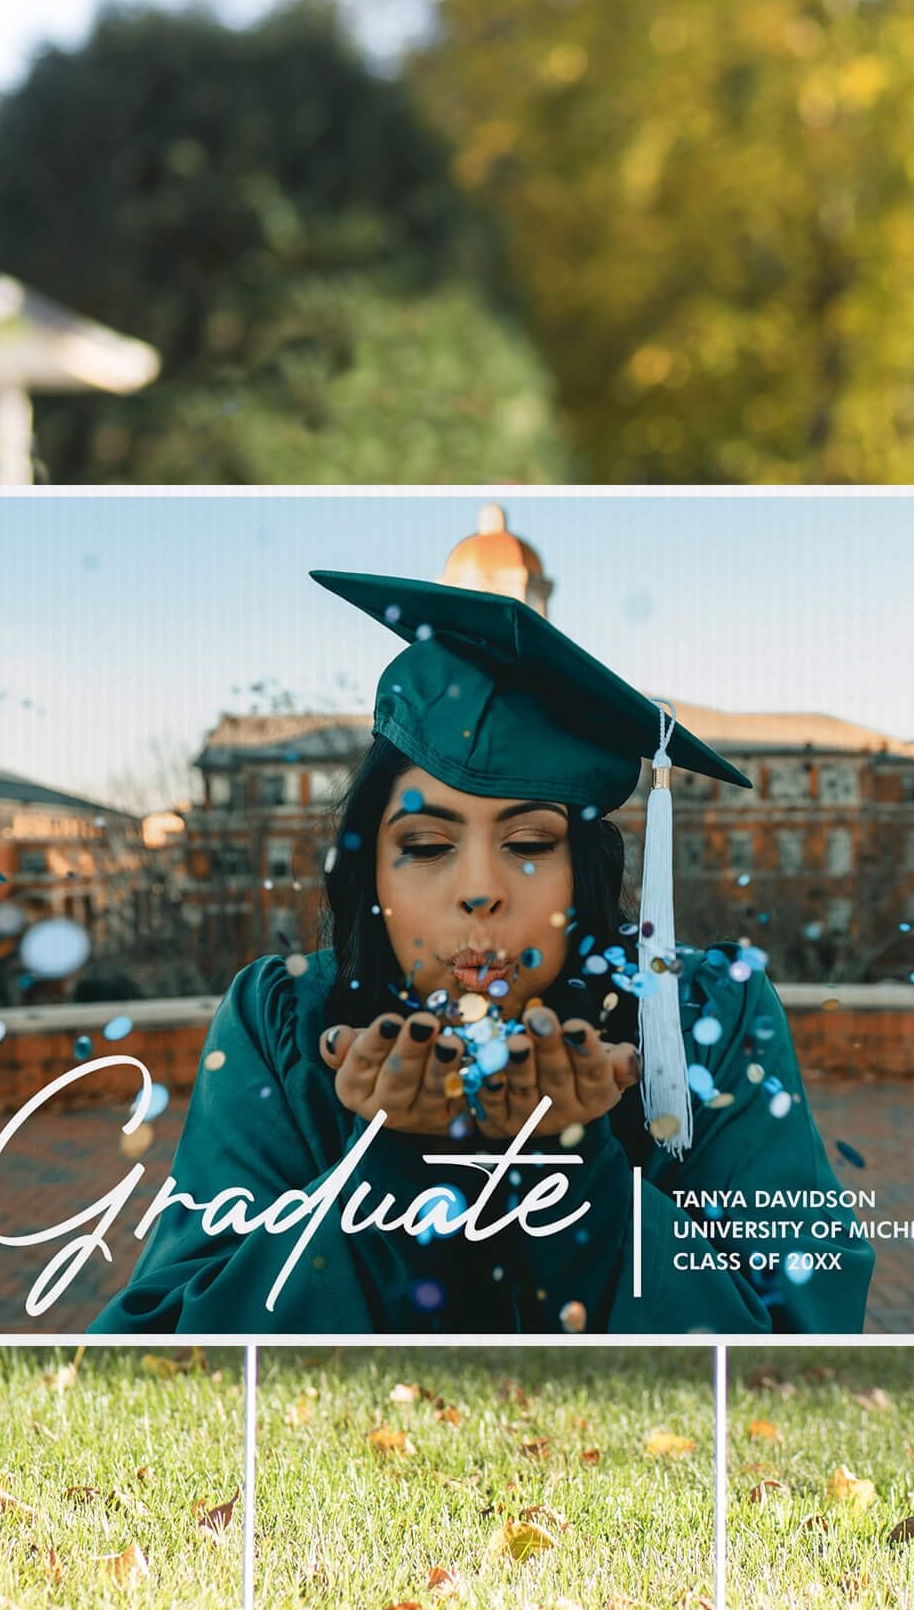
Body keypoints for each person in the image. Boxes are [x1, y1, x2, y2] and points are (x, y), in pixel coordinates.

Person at [87, 570, 874, 1335]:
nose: (478, 892)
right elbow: (171, 1348)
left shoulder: (702, 1017)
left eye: (529, 843)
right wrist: (386, 1170)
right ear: (370, 870)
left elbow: (795, 1338)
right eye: (426, 846)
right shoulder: (285, 1023)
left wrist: (584, 1178)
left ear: (587, 870)